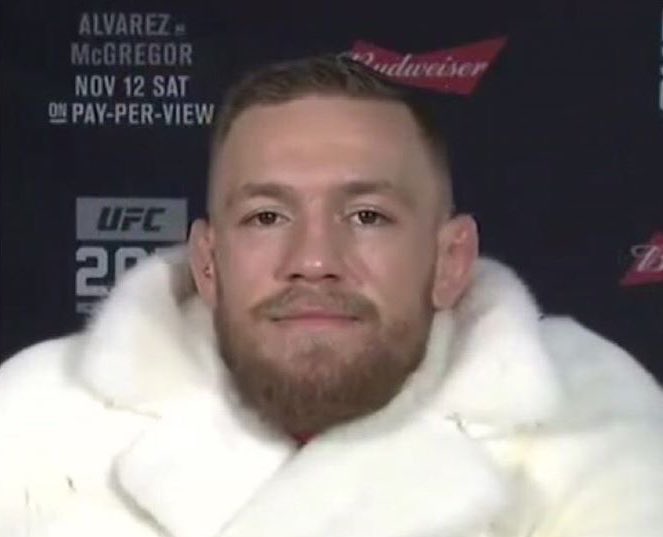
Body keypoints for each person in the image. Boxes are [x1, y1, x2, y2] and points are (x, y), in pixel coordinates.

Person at [1, 55, 662, 537]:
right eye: (266, 217)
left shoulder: (598, 427)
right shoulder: (33, 423)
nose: (314, 261)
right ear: (207, 263)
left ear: (450, 260)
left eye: (367, 216)